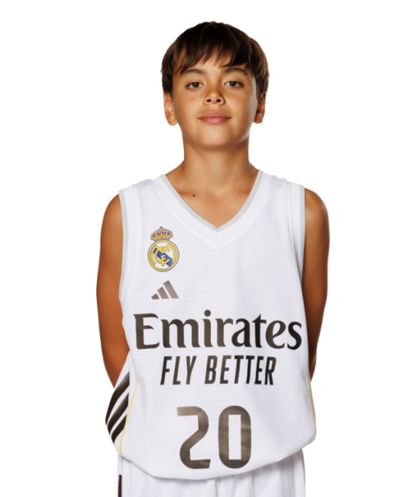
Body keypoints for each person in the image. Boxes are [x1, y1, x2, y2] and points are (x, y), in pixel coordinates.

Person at [97, 20, 329, 497]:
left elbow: (300, 348)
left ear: (260, 104)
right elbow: (119, 352)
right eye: (194, 83)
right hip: (158, 472)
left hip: (267, 468)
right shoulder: (130, 212)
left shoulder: (301, 211)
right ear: (169, 105)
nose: (215, 95)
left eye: (234, 82)